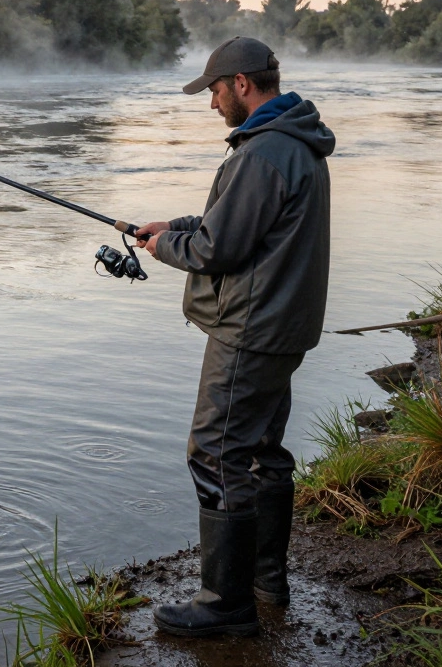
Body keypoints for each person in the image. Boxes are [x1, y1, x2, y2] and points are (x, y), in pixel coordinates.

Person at [134, 36, 335, 637]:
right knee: (263, 451)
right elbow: (244, 223)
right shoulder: (295, 142)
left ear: (242, 84)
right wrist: (174, 225)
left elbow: (217, 248)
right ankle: (266, 582)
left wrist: (165, 246)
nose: (213, 102)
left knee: (215, 453)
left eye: (216, 90)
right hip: (282, 326)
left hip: (250, 329)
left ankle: (225, 605)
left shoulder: (263, 151)